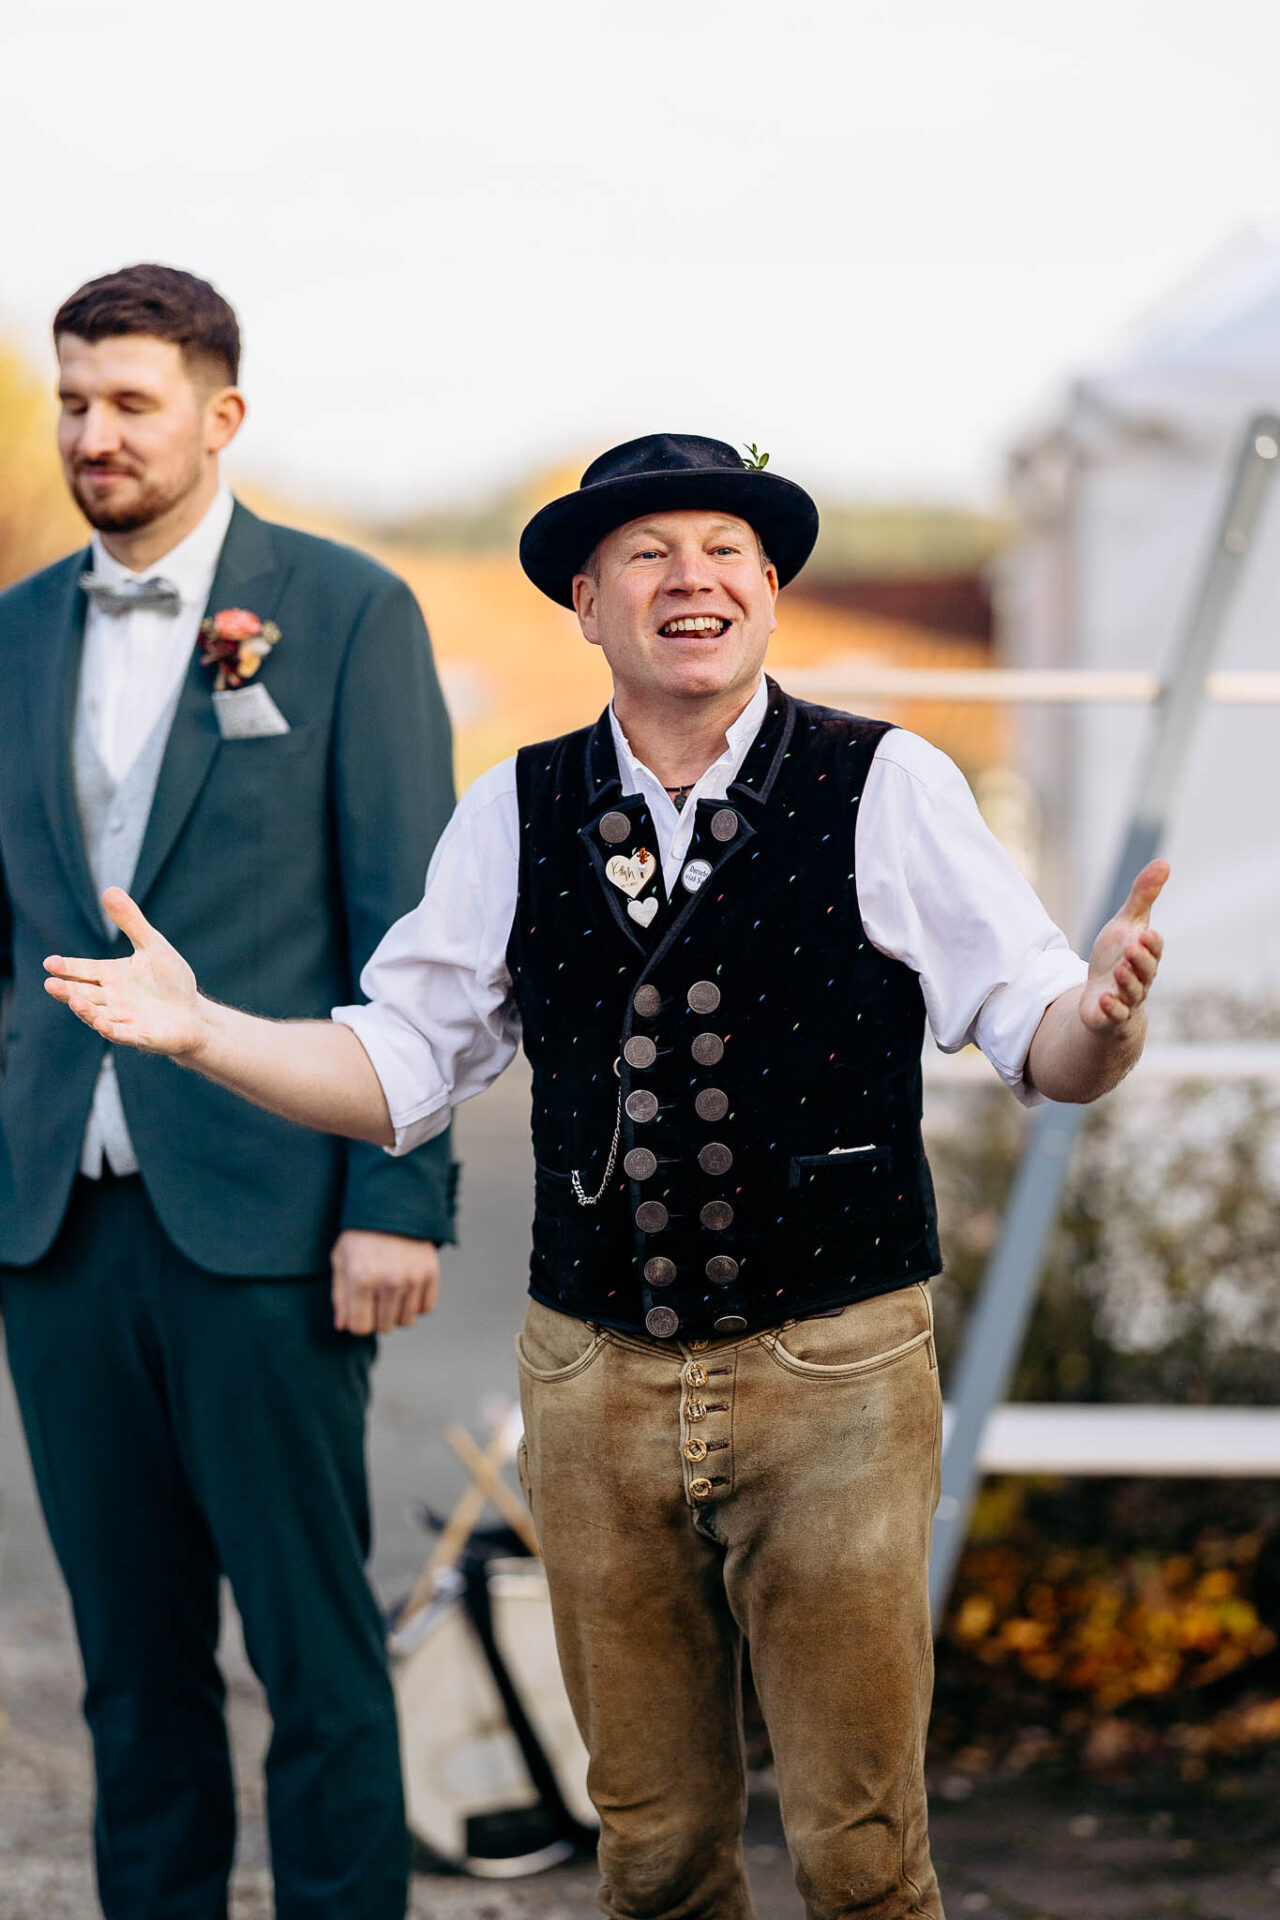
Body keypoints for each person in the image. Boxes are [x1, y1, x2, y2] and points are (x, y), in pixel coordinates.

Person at [44, 433, 1167, 1920]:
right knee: (649, 1852)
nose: (689, 577)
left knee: (862, 1850)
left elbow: (1041, 1035)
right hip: (594, 1382)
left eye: (723, 551)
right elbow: (397, 1064)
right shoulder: (514, 808)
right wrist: (206, 1036)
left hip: (832, 1371)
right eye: (648, 552)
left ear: (768, 589)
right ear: (587, 600)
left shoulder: (886, 783)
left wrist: (1103, 1016)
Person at [1, 264, 457, 1920]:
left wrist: (395, 1199)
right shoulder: (10, 630)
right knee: (128, 1672)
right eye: (72, 399)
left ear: (220, 415)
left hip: (273, 1214)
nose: (94, 433)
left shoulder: (345, 612)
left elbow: (414, 934)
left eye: (129, 401)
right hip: (56, 1227)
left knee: (314, 1653)